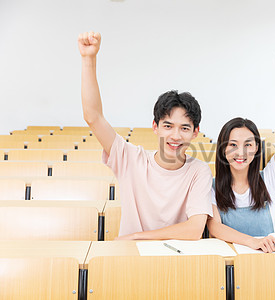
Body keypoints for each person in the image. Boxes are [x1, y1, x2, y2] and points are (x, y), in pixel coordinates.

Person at [78, 32, 212, 240]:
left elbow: (194, 229)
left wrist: (137, 236)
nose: (175, 136)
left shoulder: (199, 171)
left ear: (195, 133)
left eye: (184, 128)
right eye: (168, 126)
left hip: (176, 260)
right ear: (155, 127)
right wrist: (89, 59)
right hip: (132, 258)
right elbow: (93, 117)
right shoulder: (130, 159)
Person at [206, 49, 275, 253]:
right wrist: (253, 241)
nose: (241, 152)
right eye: (232, 144)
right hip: (230, 268)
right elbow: (215, 228)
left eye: (248, 144)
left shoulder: (270, 179)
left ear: (257, 148)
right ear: (222, 149)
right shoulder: (211, 187)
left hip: (267, 265)